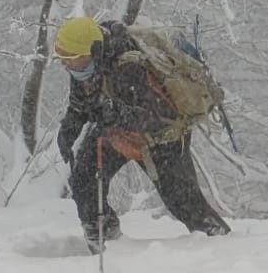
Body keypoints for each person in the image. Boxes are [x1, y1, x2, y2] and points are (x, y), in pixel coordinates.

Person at [54, 15, 231, 252]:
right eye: (63, 59)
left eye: (71, 59)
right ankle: (106, 242)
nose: (67, 65)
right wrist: (69, 128)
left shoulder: (129, 67)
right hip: (116, 135)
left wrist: (113, 113)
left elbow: (154, 117)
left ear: (93, 51)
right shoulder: (86, 67)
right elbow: (79, 102)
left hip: (161, 141)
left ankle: (222, 245)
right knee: (84, 182)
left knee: (183, 203)